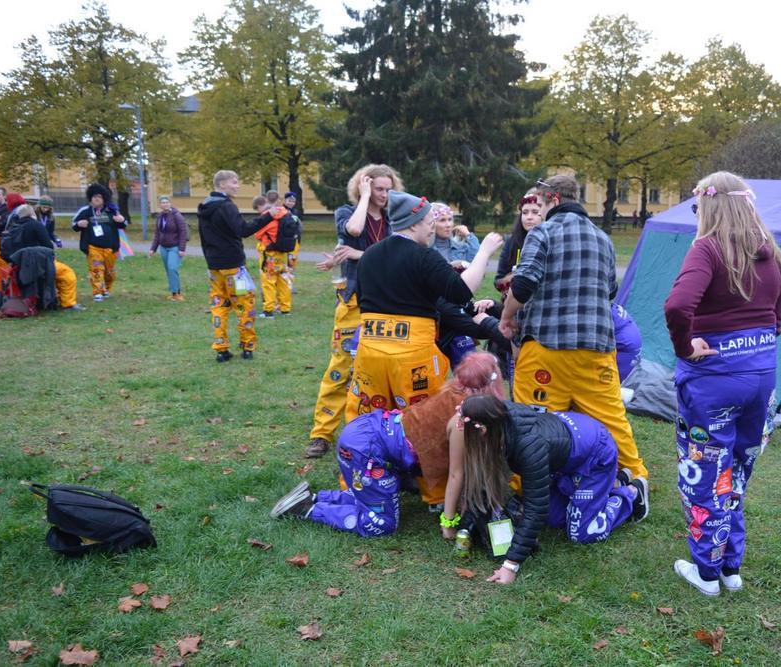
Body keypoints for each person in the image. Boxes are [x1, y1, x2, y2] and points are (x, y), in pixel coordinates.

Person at [663, 171, 781, 597]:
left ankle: (706, 572)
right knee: (734, 472)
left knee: (706, 473)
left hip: (715, 380)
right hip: (761, 377)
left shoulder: (708, 248)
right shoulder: (771, 253)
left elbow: (678, 305)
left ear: (709, 206)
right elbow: (776, 318)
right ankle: (730, 567)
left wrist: (685, 347)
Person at [498, 175, 649, 521]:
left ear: (552, 199)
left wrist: (507, 316)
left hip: (546, 348)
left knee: (532, 419)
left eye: (539, 203)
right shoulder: (603, 238)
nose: (537, 210)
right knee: (610, 416)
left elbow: (525, 281)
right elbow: (610, 291)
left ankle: (524, 489)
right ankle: (634, 476)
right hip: (596, 348)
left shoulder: (543, 233)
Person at [270, 352, 505, 535]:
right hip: (366, 450)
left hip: (366, 431)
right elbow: (456, 474)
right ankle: (308, 510)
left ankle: (315, 497)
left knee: (373, 496)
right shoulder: (463, 419)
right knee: (382, 524)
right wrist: (448, 522)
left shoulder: (453, 389)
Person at [441, 395, 646, 585]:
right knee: (554, 519)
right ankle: (613, 482)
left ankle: (631, 494)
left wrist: (510, 565)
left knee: (581, 533)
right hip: (564, 457)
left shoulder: (530, 447)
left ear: (484, 431)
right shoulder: (498, 418)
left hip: (595, 454)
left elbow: (535, 507)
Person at [345, 190, 503, 422]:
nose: (432, 229)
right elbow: (461, 291)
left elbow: (362, 300)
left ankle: (369, 446)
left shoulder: (369, 255)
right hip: (412, 356)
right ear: (413, 224)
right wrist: (484, 252)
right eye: (429, 222)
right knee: (422, 418)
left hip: (371, 352)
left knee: (370, 413)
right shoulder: (424, 256)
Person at [306, 164, 403, 459]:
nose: (384, 195)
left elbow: (396, 256)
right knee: (341, 367)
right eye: (378, 189)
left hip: (389, 301)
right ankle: (321, 434)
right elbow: (355, 230)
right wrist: (364, 197)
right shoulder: (346, 213)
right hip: (355, 300)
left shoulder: (395, 219)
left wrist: (360, 254)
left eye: (388, 189)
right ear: (365, 187)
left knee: (381, 369)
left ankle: (378, 431)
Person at [197, 170, 279, 362]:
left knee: (219, 305)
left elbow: (203, 239)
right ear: (222, 184)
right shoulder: (226, 206)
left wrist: (210, 260)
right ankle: (248, 346)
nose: (238, 186)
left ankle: (221, 348)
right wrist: (268, 216)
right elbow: (243, 230)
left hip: (214, 267)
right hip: (234, 267)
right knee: (244, 304)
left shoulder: (204, 206)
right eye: (234, 182)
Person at [4, 205, 83, 311]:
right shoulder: (36, 225)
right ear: (32, 214)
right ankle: (68, 303)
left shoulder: (12, 228)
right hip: (40, 263)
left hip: (18, 266)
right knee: (67, 274)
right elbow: (48, 246)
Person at [71, 184, 128, 302]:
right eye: (94, 197)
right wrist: (79, 224)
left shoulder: (112, 211)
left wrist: (122, 220)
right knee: (96, 269)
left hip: (110, 248)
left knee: (109, 273)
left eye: (99, 197)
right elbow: (74, 225)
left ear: (104, 199)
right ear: (90, 198)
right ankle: (97, 291)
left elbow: (123, 225)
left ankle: (105, 289)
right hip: (93, 247)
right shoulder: (85, 211)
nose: (96, 199)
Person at [250, 196, 294, 318]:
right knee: (283, 281)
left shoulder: (268, 217)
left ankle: (268, 310)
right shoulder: (283, 213)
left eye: (257, 209)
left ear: (260, 206)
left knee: (268, 281)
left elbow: (257, 234)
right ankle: (285, 309)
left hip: (270, 255)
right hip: (282, 253)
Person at [494, 190, 542, 294]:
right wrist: (511, 278)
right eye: (525, 212)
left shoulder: (552, 241)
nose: (529, 217)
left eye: (535, 212)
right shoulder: (511, 242)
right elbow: (498, 282)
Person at [147, 196, 188, 301]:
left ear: (170, 203)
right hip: (163, 248)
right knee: (168, 270)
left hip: (175, 247)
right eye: (162, 202)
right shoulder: (160, 216)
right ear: (160, 205)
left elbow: (183, 232)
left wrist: (182, 248)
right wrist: (153, 249)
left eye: (166, 202)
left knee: (172, 268)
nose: (165, 204)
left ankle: (177, 294)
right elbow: (157, 233)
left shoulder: (176, 215)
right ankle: (174, 293)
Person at [430, 203, 479, 269]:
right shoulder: (425, 251)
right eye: (442, 220)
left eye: (450, 219)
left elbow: (478, 262)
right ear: (431, 223)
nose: (448, 225)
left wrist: (468, 235)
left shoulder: (461, 248)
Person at [283, 191, 302, 283]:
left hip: (295, 240)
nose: (291, 203)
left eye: (293, 201)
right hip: (286, 241)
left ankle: (290, 280)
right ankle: (285, 280)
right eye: (289, 201)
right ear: (285, 200)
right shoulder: (282, 211)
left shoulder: (295, 212)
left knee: (293, 260)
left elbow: (298, 225)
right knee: (286, 260)